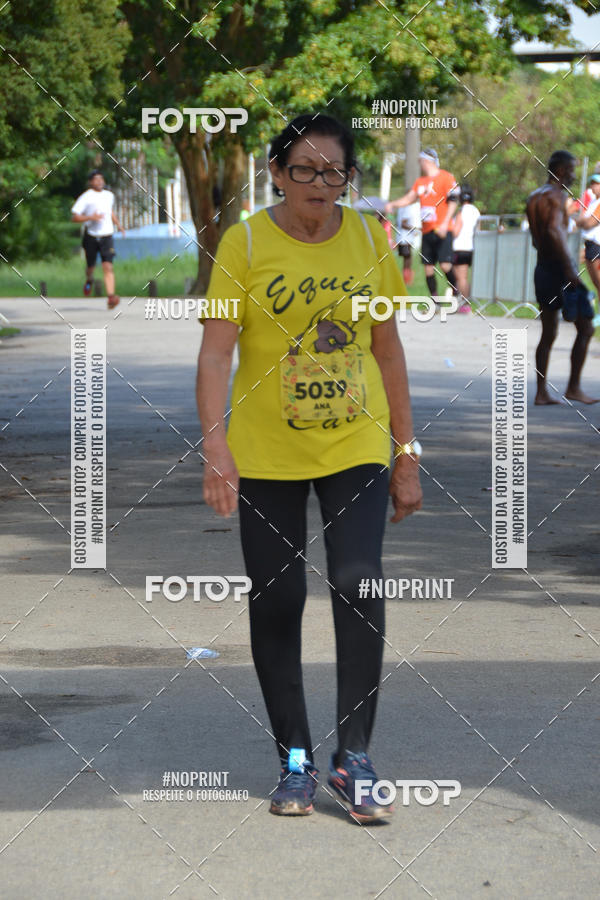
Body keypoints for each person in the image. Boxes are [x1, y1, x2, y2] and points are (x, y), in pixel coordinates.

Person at [196, 113, 422, 824]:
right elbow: (215, 353)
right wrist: (216, 446)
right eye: (303, 170)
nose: (318, 184)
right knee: (279, 596)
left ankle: (354, 758)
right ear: (276, 174)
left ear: (348, 178)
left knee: (358, 580)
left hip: (355, 443)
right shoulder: (248, 241)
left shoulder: (368, 239)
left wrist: (406, 453)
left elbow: (387, 350)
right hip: (265, 452)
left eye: (332, 171)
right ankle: (294, 757)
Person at [526, 150, 597, 405]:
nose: (573, 175)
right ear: (558, 170)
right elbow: (555, 233)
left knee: (548, 333)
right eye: (570, 170)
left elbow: (539, 239)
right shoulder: (556, 197)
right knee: (586, 327)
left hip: (542, 268)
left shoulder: (534, 197)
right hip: (559, 270)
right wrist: (569, 270)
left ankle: (541, 392)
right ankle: (574, 388)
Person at [385, 148, 460, 301]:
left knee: (445, 265)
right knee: (428, 267)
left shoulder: (445, 177)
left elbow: (453, 201)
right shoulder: (421, 182)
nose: (419, 165)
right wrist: (393, 204)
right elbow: (409, 198)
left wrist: (445, 223)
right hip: (427, 230)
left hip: (442, 229)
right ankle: (435, 300)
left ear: (427, 161)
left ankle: (458, 294)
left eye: (420, 161)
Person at [71, 170, 124, 309]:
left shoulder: (109, 195)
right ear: (91, 182)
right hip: (91, 236)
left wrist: (118, 224)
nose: (99, 181)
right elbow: (75, 217)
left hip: (107, 235)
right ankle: (89, 279)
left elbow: (109, 211)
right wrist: (90, 218)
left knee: (108, 266)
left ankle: (111, 297)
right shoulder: (86, 197)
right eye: (96, 179)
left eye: (101, 178)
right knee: (91, 267)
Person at [452, 185, 481, 314]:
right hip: (470, 247)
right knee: (464, 277)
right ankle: (463, 303)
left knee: (460, 278)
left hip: (459, 247)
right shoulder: (476, 211)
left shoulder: (461, 211)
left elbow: (456, 231)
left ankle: (464, 304)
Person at [577, 174, 600, 307]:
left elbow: (590, 222)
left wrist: (582, 222)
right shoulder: (592, 202)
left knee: (599, 282)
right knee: (595, 282)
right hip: (589, 244)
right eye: (592, 183)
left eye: (596, 184)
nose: (593, 186)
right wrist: (582, 222)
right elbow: (580, 220)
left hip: (597, 245)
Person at [393, 201, 421, 287]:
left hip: (402, 238)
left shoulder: (401, 209)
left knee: (407, 259)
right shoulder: (406, 209)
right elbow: (403, 223)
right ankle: (406, 280)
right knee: (407, 260)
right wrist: (415, 229)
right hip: (405, 238)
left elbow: (398, 223)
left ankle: (407, 279)